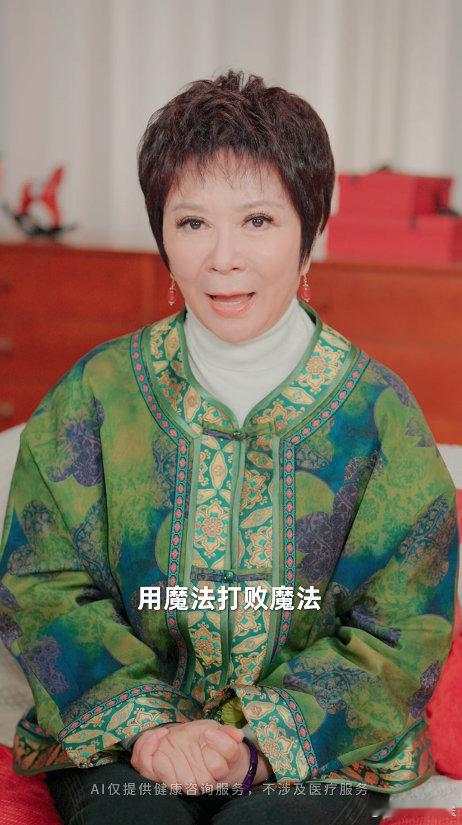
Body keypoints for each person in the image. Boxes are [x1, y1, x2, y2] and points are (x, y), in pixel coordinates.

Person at [0, 69, 459, 825]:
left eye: (257, 221)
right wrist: (150, 729)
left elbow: (402, 630)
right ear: (163, 239)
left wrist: (258, 747)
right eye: (192, 223)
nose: (223, 258)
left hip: (318, 757)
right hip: (121, 746)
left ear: (310, 232)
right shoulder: (96, 395)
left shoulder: (379, 416)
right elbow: (41, 583)